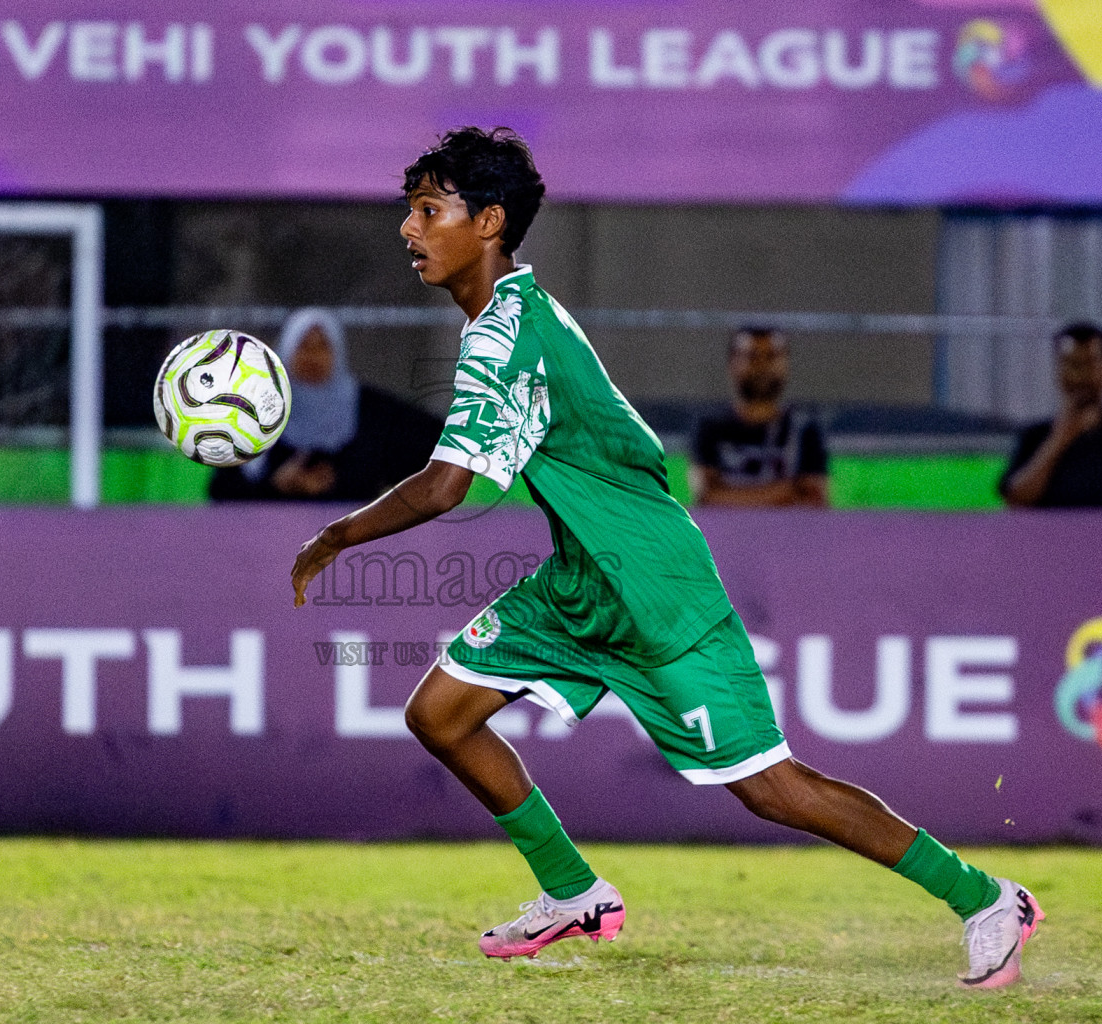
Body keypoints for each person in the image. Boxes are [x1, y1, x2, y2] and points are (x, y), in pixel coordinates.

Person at [290, 127, 1041, 987]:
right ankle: (574, 893)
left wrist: (335, 535)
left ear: (489, 221)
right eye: (410, 211)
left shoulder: (505, 338)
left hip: (652, 583)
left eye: (430, 211)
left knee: (771, 788)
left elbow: (446, 487)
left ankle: (985, 898)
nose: (409, 229)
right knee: (441, 713)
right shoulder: (511, 317)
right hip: (582, 578)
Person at [209, 308, 438, 502]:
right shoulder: (255, 413)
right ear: (286, 351)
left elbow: (429, 446)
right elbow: (221, 491)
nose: (313, 357)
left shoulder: (371, 409)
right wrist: (275, 486)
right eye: (304, 346)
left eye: (323, 346)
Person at [1000, 323, 1102, 509]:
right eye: (1071, 364)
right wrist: (1060, 439)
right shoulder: (1034, 438)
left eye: (1089, 364)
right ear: (1058, 371)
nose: (1079, 376)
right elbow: (1016, 500)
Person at [691, 327, 828, 507]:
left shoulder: (804, 429)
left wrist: (731, 496)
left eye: (772, 356)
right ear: (733, 362)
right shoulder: (710, 427)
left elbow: (814, 500)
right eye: (752, 356)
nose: (762, 366)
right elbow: (706, 496)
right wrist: (784, 492)